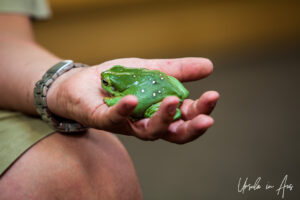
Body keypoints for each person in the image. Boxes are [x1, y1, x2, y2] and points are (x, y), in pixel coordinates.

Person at [0, 0, 219, 199]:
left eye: (106, 84)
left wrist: (62, 83)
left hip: (154, 97)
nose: (102, 84)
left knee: (104, 165)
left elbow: (7, 40)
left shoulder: (118, 94)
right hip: (167, 88)